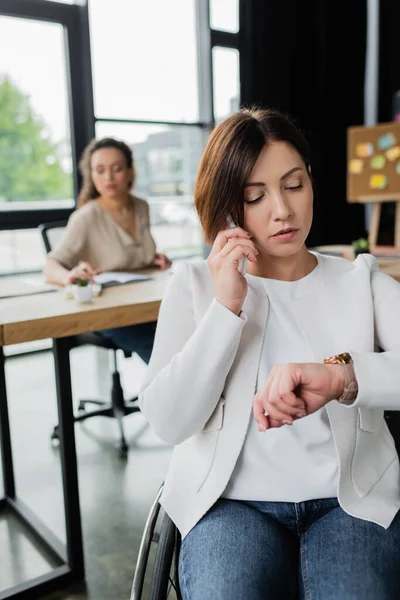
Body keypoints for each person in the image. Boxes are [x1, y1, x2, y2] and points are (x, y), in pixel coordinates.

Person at [138, 108, 400, 599]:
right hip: (231, 505)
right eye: (254, 197)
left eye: (293, 185)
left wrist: (340, 376)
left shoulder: (358, 279)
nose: (282, 210)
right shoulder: (195, 285)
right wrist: (226, 307)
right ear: (228, 209)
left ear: (311, 183)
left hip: (348, 502)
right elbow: (170, 423)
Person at [44, 137, 171, 363]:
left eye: (117, 169)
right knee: (164, 353)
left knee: (186, 334)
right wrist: (69, 276)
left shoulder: (141, 207)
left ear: (130, 172)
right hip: (111, 314)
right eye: (100, 170)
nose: (108, 178)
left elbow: (128, 256)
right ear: (91, 175)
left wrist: (152, 260)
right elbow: (51, 266)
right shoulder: (86, 217)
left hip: (145, 305)